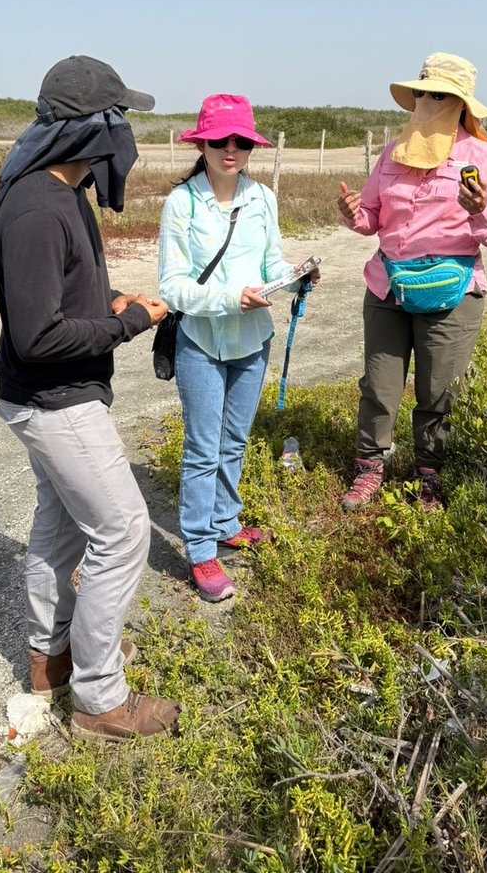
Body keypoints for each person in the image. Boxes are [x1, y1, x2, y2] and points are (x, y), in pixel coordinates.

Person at [0, 54, 181, 742]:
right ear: (91, 130)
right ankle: (98, 696)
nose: (125, 138)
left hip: (52, 393)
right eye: (118, 121)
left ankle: (50, 660)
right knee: (123, 533)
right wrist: (127, 324)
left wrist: (112, 301)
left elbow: (59, 301)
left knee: (59, 524)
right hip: (54, 399)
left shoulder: (64, 194)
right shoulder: (37, 208)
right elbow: (36, 338)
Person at [337, 52, 487, 512]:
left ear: (460, 104)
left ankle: (429, 476)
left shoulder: (481, 155)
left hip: (453, 292)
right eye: (421, 92)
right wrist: (353, 213)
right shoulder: (393, 150)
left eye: (438, 94)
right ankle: (369, 468)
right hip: (388, 285)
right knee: (379, 385)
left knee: (437, 390)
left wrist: (476, 212)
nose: (426, 100)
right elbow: (373, 218)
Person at [158, 94, 318, 602]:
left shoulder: (263, 198)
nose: (230, 149)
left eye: (241, 141)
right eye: (220, 140)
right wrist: (233, 297)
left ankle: (226, 522)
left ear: (251, 145)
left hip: (253, 341)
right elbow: (173, 286)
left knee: (234, 441)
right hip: (201, 341)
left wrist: (295, 279)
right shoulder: (181, 203)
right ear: (201, 143)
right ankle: (201, 551)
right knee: (203, 449)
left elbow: (271, 266)